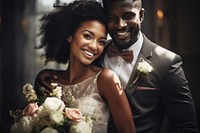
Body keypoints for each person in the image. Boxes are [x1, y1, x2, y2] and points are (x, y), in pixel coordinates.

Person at [36, 0, 199, 133]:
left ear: (141, 15)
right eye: (112, 18)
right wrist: (49, 74)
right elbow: (76, 78)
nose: (120, 25)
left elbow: (186, 128)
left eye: (128, 16)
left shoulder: (167, 63)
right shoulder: (94, 53)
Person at [34, 0, 136, 133]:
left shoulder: (106, 79)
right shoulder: (49, 81)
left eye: (101, 41)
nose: (94, 46)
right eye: (87, 36)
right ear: (70, 35)